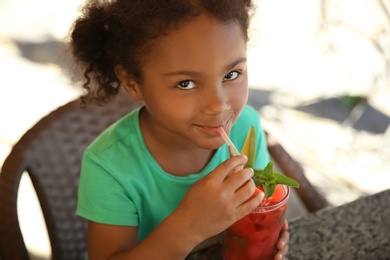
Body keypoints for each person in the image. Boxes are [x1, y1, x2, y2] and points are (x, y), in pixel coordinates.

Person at [69, 0, 290, 259]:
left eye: (231, 74)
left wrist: (266, 232)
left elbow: (260, 205)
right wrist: (189, 226)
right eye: (186, 83)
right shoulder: (109, 166)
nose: (219, 105)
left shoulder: (246, 128)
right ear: (132, 82)